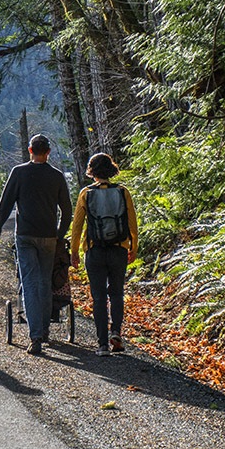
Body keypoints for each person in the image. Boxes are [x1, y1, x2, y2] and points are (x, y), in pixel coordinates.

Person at [0, 134, 72, 355]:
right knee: (45, 282)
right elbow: (67, 210)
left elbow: (6, 202)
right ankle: (44, 330)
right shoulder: (56, 176)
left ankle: (35, 336)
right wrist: (59, 235)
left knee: (29, 283)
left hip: (25, 236)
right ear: (48, 152)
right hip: (48, 237)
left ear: (30, 150)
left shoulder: (18, 172)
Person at [70, 153, 139, 357]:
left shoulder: (86, 193)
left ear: (92, 171)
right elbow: (132, 224)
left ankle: (102, 345)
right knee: (116, 293)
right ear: (111, 169)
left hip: (95, 250)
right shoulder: (123, 192)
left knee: (98, 297)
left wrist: (74, 251)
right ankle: (116, 332)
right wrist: (133, 247)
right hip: (119, 248)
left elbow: (77, 226)